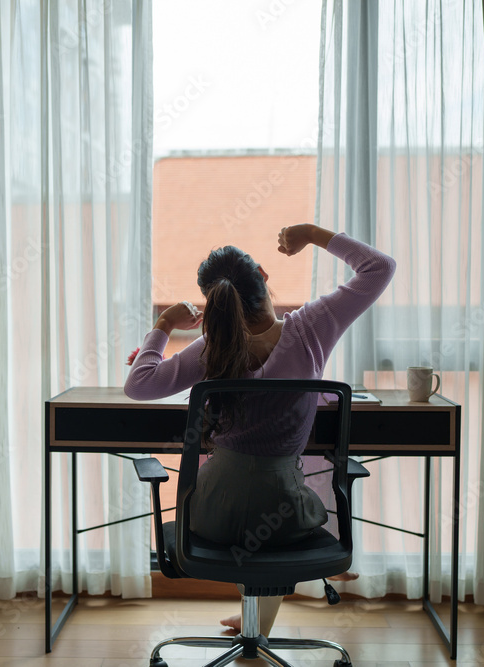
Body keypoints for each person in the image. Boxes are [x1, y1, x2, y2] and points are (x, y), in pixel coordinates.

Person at [124, 223, 396, 635]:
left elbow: (139, 385)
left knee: (244, 488)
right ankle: (262, 621)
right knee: (294, 480)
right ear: (264, 278)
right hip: (286, 519)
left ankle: (257, 624)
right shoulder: (312, 329)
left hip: (213, 516)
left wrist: (163, 325)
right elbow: (380, 267)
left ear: (215, 303)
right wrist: (312, 233)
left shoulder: (210, 349)